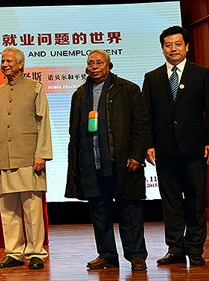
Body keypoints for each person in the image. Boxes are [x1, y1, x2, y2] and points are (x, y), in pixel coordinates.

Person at [143, 26, 209, 267]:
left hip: (195, 149)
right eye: (168, 45)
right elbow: (147, 115)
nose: (173, 49)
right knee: (171, 201)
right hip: (164, 150)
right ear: (162, 49)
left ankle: (195, 248)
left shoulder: (202, 74)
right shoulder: (152, 77)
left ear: (187, 46)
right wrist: (148, 144)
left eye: (178, 44)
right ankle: (175, 248)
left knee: (196, 200)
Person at [65, 50, 149, 271]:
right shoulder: (80, 94)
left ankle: (136, 255)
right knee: (99, 212)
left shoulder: (127, 89)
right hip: (92, 162)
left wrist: (136, 155)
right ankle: (107, 255)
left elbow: (141, 126)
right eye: (90, 63)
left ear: (109, 65)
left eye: (99, 62)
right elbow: (74, 132)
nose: (94, 66)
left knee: (129, 210)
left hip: (122, 162)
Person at [0, 46, 52, 270]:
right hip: (3, 156)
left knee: (32, 208)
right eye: (2, 61)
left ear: (21, 64)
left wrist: (42, 154)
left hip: (29, 156)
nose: (4, 64)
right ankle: (14, 252)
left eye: (9, 61)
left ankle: (36, 253)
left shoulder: (35, 88)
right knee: (8, 209)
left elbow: (43, 121)